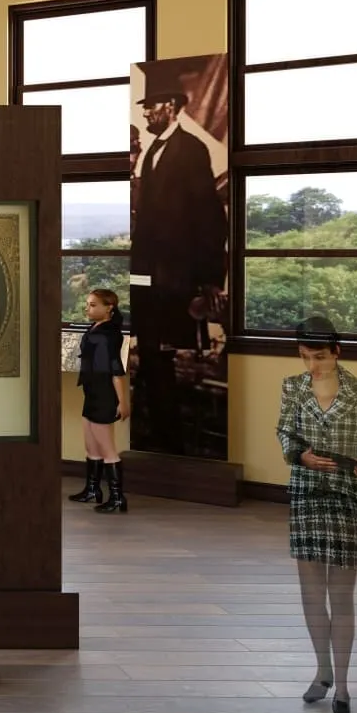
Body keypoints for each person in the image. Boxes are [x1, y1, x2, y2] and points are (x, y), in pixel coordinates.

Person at [276, 317, 357, 713]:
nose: (313, 366)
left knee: (341, 595)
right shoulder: (292, 387)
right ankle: (321, 671)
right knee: (311, 593)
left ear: (337, 352)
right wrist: (299, 455)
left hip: (347, 498)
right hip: (307, 495)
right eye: (305, 357)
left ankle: (342, 685)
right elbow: (285, 433)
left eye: (320, 357)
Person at [130, 60, 228, 455]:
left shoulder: (190, 150)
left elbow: (210, 217)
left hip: (175, 279)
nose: (146, 114)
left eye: (151, 107)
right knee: (152, 357)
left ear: (171, 106)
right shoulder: (153, 151)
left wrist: (210, 278)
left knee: (165, 358)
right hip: (148, 277)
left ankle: (170, 442)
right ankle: (158, 437)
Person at [70, 289, 131, 511]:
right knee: (91, 446)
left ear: (109, 308)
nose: (88, 308)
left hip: (104, 393)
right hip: (92, 391)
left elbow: (115, 370)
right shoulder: (95, 327)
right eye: (87, 304)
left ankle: (117, 497)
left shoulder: (109, 334)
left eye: (93, 304)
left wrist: (122, 401)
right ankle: (92, 489)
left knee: (107, 449)